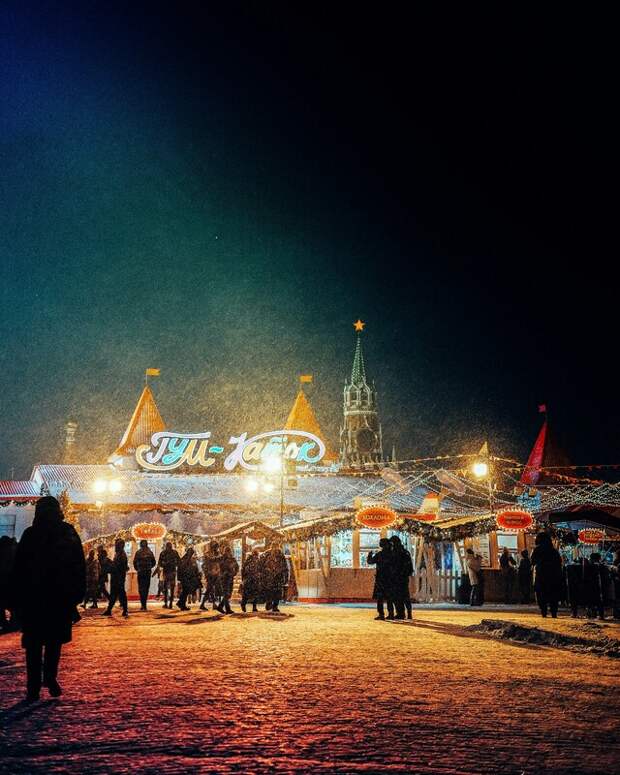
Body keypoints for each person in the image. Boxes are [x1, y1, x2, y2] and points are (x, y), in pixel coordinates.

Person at [11, 496, 85, 701]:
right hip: (58, 598)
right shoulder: (67, 532)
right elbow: (78, 564)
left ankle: (33, 686)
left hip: (33, 598)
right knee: (54, 642)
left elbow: (18, 569)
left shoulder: (31, 534)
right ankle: (50, 678)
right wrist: (76, 593)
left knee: (34, 645)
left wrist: (16, 597)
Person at [530, 532, 563, 618]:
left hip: (541, 575)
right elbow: (559, 562)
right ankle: (554, 612)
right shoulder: (553, 551)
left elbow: (533, 561)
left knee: (541, 594)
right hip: (553, 576)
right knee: (553, 594)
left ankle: (544, 612)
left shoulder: (537, 550)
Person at [367, 538, 395, 620]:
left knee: (380, 598)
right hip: (390, 578)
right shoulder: (392, 554)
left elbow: (370, 561)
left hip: (381, 578)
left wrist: (369, 555)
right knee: (389, 597)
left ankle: (381, 614)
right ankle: (391, 613)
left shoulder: (380, 554)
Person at [259, 542, 289, 614]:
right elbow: (285, 567)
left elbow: (260, 565)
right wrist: (285, 577)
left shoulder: (266, 554)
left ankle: (270, 604)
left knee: (271, 591)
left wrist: (262, 575)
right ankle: (273, 605)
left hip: (270, 577)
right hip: (275, 577)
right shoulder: (279, 554)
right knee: (275, 592)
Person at [389, 535, 414, 619]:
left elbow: (392, 565)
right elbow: (409, 566)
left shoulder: (395, 553)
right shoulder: (405, 552)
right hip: (403, 577)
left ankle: (401, 613)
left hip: (397, 577)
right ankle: (408, 613)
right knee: (405, 595)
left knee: (397, 596)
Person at [103, 538, 129, 617]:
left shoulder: (122, 555)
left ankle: (124, 610)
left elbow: (119, 567)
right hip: (116, 577)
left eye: (117, 545)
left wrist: (109, 564)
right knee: (115, 594)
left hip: (119, 578)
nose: (116, 546)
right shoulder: (118, 554)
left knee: (120, 594)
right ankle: (110, 609)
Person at [0, 535, 18, 632]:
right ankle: (13, 622)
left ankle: (5, 622)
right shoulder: (14, 553)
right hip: (11, 582)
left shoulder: (4, 553)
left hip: (5, 581)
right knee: (13, 604)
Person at [133, 539, 156, 611]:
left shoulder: (138, 552)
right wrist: (149, 567)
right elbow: (154, 562)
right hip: (147, 572)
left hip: (141, 572)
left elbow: (134, 562)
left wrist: (138, 568)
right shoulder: (150, 552)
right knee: (146, 588)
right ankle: (144, 604)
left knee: (141, 588)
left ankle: (142, 604)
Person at [200, 541, 223, 611]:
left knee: (211, 589)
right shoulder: (208, 554)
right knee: (210, 589)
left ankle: (212, 604)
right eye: (216, 547)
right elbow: (210, 561)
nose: (217, 549)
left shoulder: (217, 554)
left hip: (216, 574)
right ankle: (205, 604)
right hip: (210, 574)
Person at [157, 541, 180, 609]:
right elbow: (179, 561)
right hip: (172, 572)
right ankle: (170, 603)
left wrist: (164, 564)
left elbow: (159, 563)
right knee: (171, 588)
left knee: (165, 588)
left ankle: (166, 603)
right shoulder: (174, 552)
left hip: (166, 572)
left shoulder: (163, 553)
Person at [590, 553, 613, 620]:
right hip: (602, 586)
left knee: (595, 601)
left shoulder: (592, 566)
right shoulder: (603, 566)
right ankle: (600, 615)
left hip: (595, 586)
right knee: (600, 602)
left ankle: (594, 615)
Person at [219, 543, 239, 614]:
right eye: (227, 551)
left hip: (230, 578)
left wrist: (234, 573)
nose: (228, 552)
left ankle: (220, 606)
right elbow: (219, 567)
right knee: (226, 593)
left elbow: (237, 566)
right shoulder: (222, 558)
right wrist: (223, 573)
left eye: (229, 551)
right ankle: (228, 609)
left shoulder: (232, 559)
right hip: (224, 578)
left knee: (229, 594)